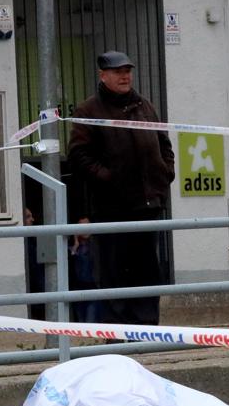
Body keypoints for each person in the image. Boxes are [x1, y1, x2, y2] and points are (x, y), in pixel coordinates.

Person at [68, 51, 175, 325]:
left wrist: (165, 173)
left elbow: (164, 144)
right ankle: (116, 337)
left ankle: (148, 331)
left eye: (127, 70)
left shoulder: (145, 106)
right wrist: (108, 178)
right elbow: (79, 158)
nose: (124, 75)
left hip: (147, 205)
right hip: (111, 208)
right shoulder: (89, 111)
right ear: (103, 76)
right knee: (114, 273)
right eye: (117, 71)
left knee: (148, 271)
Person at [68, 217, 103, 324]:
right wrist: (75, 246)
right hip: (76, 287)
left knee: (90, 320)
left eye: (88, 226)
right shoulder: (70, 245)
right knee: (80, 321)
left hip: (92, 286)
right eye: (82, 226)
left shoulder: (96, 244)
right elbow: (69, 265)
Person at [23, 207, 46, 321]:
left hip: (38, 290)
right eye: (28, 217)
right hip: (34, 289)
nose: (32, 219)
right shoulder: (24, 243)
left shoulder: (32, 240)